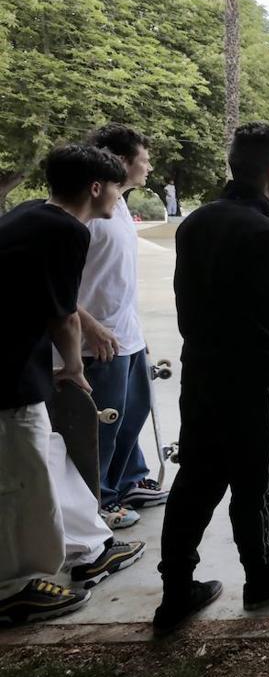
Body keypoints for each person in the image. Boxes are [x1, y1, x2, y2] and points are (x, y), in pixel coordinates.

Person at [154, 123, 269, 637]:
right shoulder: (266, 235)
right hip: (251, 381)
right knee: (254, 484)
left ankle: (176, 592)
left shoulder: (196, 223)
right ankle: (262, 576)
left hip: (201, 373)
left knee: (196, 481)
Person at [0, 144, 144, 626]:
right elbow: (63, 315)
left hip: (24, 362)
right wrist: (76, 370)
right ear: (96, 188)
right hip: (9, 374)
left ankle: (89, 546)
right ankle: (14, 587)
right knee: (21, 478)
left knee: (48, 458)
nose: (119, 199)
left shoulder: (30, 213)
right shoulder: (66, 230)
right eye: (117, 188)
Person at [79, 125, 168, 529]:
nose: (149, 165)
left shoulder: (119, 208)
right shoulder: (88, 215)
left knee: (135, 413)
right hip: (95, 343)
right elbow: (58, 284)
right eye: (143, 158)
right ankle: (99, 503)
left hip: (126, 335)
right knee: (103, 429)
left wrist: (138, 333)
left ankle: (129, 480)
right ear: (120, 161)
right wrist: (91, 326)